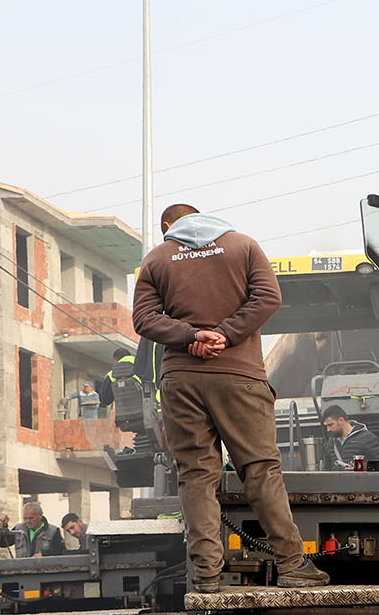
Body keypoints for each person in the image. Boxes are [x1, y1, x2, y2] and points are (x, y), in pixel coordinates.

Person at [132, 203, 328, 592]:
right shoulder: (243, 246)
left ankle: (206, 574)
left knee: (195, 476)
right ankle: (292, 565)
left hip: (181, 378)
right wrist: (227, 333)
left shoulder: (158, 258)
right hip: (239, 376)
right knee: (259, 470)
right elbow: (268, 297)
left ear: (169, 225)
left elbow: (144, 319)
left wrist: (192, 336)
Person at [0, 500, 65, 557]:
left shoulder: (53, 531)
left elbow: (61, 551)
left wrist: (44, 554)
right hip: (22, 571)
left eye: (31, 518)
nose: (28, 521)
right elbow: (3, 543)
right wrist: (3, 526)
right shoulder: (18, 529)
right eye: (25, 518)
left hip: (45, 572)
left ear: (40, 515)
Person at [322, 405, 379, 470]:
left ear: (341, 420)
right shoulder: (330, 444)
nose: (328, 429)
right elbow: (325, 470)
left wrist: (362, 467)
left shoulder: (367, 438)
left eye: (330, 425)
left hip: (361, 480)